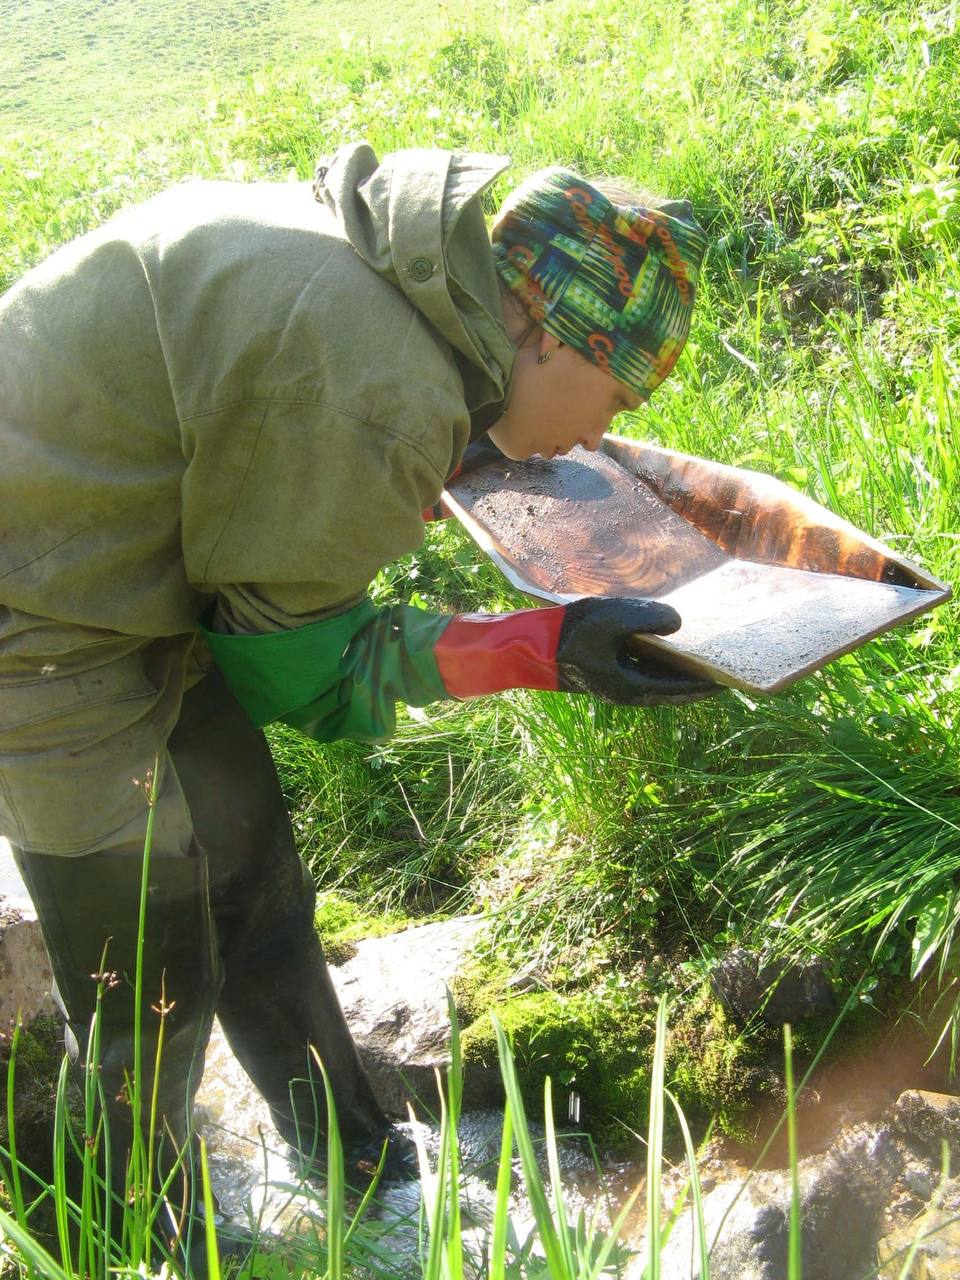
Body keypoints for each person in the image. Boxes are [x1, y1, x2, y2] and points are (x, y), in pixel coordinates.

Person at [0, 142, 711, 1238]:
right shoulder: (379, 380)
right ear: (548, 332)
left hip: (130, 559)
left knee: (254, 883)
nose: (609, 426)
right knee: (144, 979)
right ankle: (134, 1241)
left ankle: (358, 1164)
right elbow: (309, 673)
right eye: (622, 386)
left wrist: (455, 442)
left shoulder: (406, 267)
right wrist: (546, 646)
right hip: (37, 619)